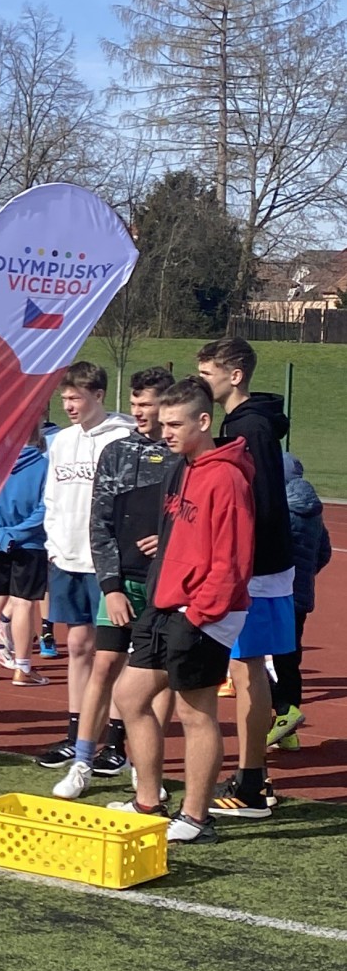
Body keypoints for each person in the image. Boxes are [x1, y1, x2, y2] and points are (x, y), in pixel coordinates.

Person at [112, 379, 254, 845]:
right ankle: (148, 802)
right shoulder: (183, 467)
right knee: (130, 697)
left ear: (203, 421)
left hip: (203, 611)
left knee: (196, 713)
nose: (165, 431)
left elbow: (233, 562)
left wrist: (198, 614)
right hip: (166, 602)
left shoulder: (228, 478)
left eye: (175, 424)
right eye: (163, 423)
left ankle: (195, 818)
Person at [50, 368, 176, 800]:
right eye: (135, 404)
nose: (138, 412)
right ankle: (82, 762)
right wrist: (111, 586)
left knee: (158, 677)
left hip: (166, 585)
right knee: (103, 664)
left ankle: (145, 770)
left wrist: (170, 540)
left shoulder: (181, 457)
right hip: (122, 581)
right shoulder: (116, 451)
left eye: (147, 404)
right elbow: (99, 523)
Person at [196, 339, 295, 820]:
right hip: (262, 566)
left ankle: (251, 783)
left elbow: (259, 503)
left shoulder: (247, 428)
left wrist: (237, 560)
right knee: (247, 669)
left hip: (255, 569)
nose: (200, 382)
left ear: (234, 376)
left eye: (207, 373)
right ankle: (254, 778)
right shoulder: (248, 423)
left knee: (247, 670)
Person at [38, 359, 134, 777]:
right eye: (65, 398)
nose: (69, 406)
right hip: (67, 557)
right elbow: (53, 497)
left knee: (113, 653)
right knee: (77, 645)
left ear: (98, 395)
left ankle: (115, 741)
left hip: (107, 561)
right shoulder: (60, 441)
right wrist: (53, 545)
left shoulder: (123, 436)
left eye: (76, 398)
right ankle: (76, 735)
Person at [0, 429, 50, 688]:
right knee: (24, 604)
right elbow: (45, 507)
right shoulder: (45, 467)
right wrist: (17, 534)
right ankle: (23, 668)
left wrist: (1, 535)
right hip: (30, 545)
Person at [270, 453, 331, 748]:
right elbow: (324, 553)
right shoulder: (313, 510)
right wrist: (304, 576)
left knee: (248, 660)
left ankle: (283, 710)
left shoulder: (277, 507)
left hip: (272, 594)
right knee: (289, 661)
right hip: (299, 596)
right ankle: (288, 731)